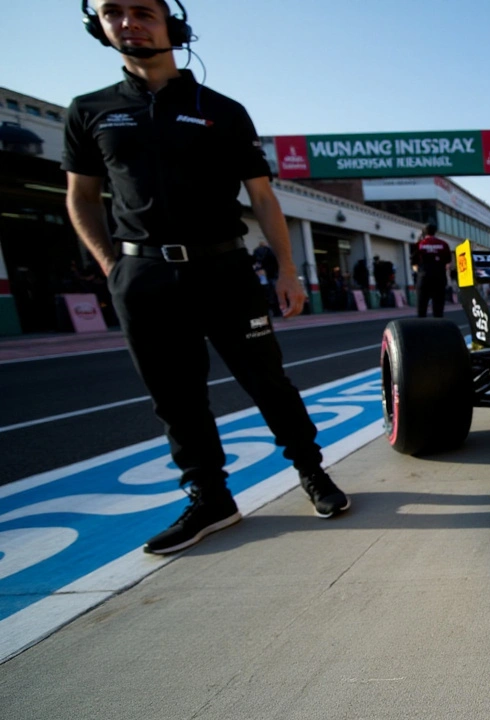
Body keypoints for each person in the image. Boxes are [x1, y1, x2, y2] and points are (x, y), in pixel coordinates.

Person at [63, 0, 350, 556]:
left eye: (142, 10)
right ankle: (211, 497)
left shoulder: (220, 108)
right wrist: (113, 267)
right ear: (96, 26)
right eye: (112, 12)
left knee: (268, 380)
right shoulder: (89, 110)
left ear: (171, 21)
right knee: (175, 396)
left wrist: (287, 270)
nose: (128, 22)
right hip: (142, 275)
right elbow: (81, 197)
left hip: (223, 268)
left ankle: (313, 472)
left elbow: (262, 197)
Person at [414, 223, 450, 318]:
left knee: (422, 308)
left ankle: (422, 329)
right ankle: (438, 328)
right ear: (435, 231)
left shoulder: (419, 244)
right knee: (438, 308)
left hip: (424, 277)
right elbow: (448, 263)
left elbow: (414, 264)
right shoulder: (444, 244)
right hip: (439, 278)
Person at [252, 240, 280, 316]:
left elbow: (256, 262)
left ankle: (268, 310)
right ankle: (277, 311)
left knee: (265, 293)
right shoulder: (270, 251)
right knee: (274, 293)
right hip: (272, 275)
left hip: (262, 274)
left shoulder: (256, 251)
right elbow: (276, 262)